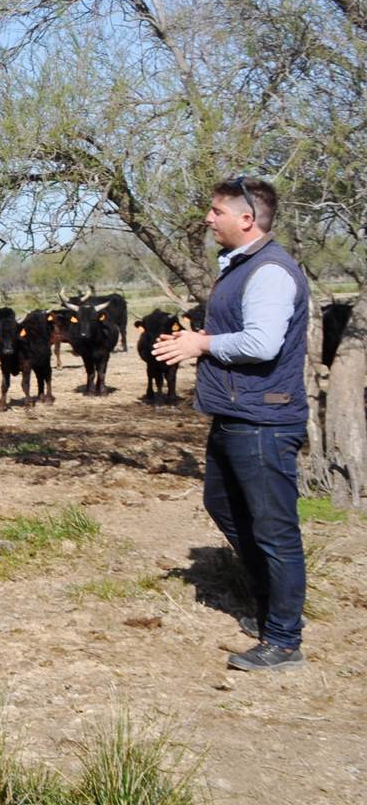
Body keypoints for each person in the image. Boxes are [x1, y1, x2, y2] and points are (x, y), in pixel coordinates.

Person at [153, 175, 311, 672]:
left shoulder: (269, 272)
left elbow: (263, 344)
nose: (208, 218)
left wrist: (201, 345)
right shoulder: (242, 267)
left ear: (246, 219)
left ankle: (283, 639)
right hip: (238, 413)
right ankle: (270, 605)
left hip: (264, 418)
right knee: (221, 503)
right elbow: (245, 333)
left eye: (216, 211)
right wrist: (205, 335)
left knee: (274, 530)